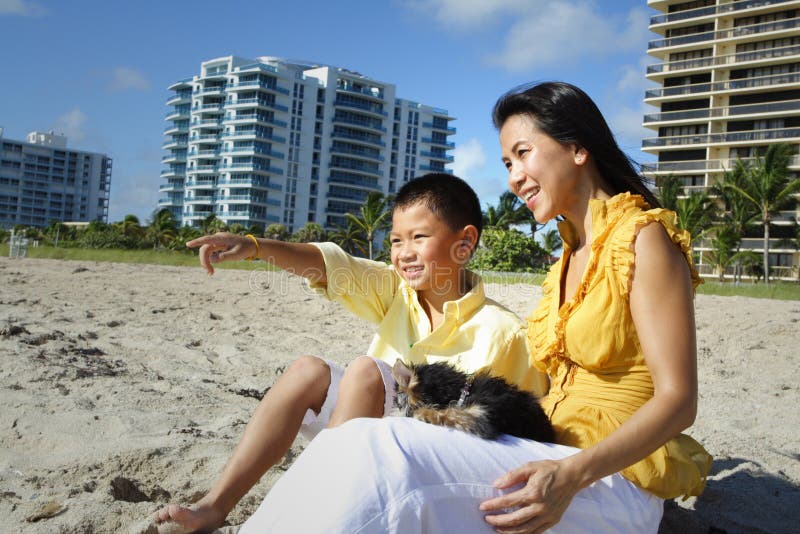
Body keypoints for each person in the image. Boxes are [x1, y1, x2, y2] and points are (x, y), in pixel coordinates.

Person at [235, 82, 713, 534]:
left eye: (523, 153)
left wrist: (572, 475)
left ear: (578, 147)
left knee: (382, 448)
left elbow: (678, 402)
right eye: (507, 162)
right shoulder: (569, 255)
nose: (514, 178)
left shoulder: (642, 240)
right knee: (373, 442)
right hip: (547, 451)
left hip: (611, 480)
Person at [152, 172, 549, 533]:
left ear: (464, 243)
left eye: (419, 238)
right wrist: (254, 247)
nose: (404, 252)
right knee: (308, 370)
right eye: (396, 240)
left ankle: (314, 512)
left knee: (366, 371)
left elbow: (520, 428)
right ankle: (214, 507)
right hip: (362, 438)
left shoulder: (505, 331)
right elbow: (331, 265)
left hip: (432, 457)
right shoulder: (397, 292)